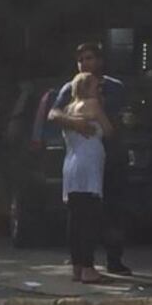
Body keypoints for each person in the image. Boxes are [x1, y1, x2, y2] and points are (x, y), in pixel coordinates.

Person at [48, 42, 132, 276]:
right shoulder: (71, 89)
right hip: (87, 155)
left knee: (111, 210)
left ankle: (113, 258)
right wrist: (75, 123)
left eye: (89, 58)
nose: (85, 63)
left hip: (110, 155)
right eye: (81, 59)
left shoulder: (115, 87)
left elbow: (122, 119)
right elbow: (53, 113)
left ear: (100, 60)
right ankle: (85, 263)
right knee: (84, 213)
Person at [61, 72, 114, 283]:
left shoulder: (68, 109)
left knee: (75, 219)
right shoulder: (92, 104)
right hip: (88, 166)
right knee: (89, 219)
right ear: (86, 87)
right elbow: (109, 130)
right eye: (96, 86)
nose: (99, 90)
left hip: (72, 164)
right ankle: (88, 267)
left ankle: (76, 265)